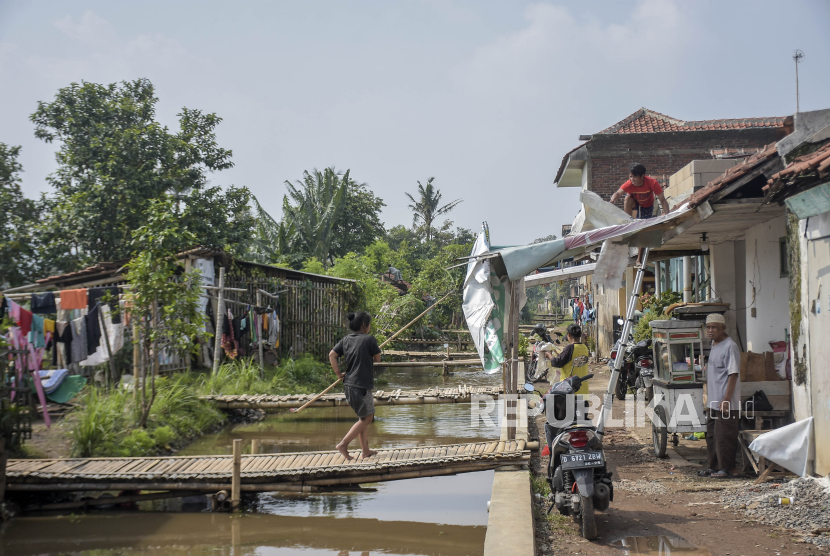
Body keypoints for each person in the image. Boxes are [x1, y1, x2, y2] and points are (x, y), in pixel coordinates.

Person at [330, 311, 382, 460]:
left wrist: (338, 374)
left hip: (349, 385)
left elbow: (332, 355)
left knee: (363, 417)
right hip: (361, 386)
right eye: (369, 324)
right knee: (367, 418)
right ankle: (343, 444)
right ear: (364, 325)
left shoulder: (346, 340)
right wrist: (374, 351)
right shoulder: (369, 339)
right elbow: (378, 359)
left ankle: (365, 450)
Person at [699, 313, 742, 479]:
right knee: (712, 435)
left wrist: (726, 399)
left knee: (725, 436)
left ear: (723, 328)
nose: (710, 330)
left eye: (714, 327)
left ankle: (729, 469)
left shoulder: (730, 346)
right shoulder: (714, 345)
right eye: (708, 327)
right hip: (713, 402)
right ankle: (714, 467)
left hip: (726, 403)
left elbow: (733, 374)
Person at [544, 323, 591, 395]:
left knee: (568, 406)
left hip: (570, 387)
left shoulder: (570, 348)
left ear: (568, 334)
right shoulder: (585, 348)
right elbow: (572, 359)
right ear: (580, 334)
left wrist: (549, 355)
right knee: (581, 406)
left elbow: (557, 363)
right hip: (583, 387)